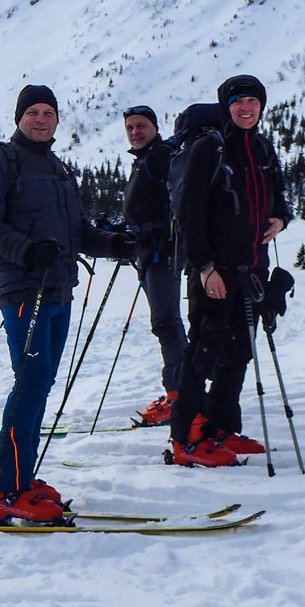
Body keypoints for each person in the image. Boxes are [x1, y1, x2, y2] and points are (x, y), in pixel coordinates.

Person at [0, 84, 132, 523]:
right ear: (19, 117)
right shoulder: (0, 161)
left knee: (38, 384)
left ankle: (19, 477)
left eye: (48, 113)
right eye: (33, 112)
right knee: (32, 383)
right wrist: (26, 251)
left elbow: (76, 232)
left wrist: (116, 244)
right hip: (23, 289)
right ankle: (6, 490)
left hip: (58, 289)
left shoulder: (57, 167)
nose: (41, 119)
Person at [168, 75, 291, 467]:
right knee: (203, 351)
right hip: (215, 271)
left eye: (253, 101)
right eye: (238, 102)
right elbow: (189, 212)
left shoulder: (263, 148)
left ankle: (221, 428)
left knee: (239, 351)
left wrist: (281, 219)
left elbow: (280, 196)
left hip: (252, 267)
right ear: (227, 106)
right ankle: (184, 437)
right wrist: (204, 267)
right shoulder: (210, 148)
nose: (246, 108)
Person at [121, 104, 186, 426]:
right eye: (131, 127)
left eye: (141, 125)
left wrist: (149, 234)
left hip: (162, 254)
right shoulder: (146, 159)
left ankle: (181, 397)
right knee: (167, 325)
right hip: (150, 254)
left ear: (155, 127)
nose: (136, 132)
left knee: (167, 324)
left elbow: (171, 205)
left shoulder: (160, 156)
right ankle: (180, 393)